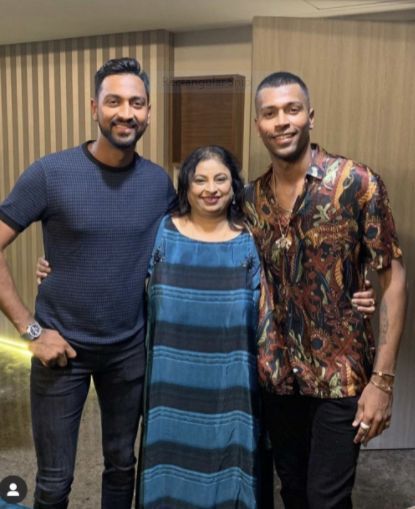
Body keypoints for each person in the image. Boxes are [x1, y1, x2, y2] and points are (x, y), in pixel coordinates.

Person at [0, 57, 176, 509]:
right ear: (93, 107)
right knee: (55, 481)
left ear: (149, 112)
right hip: (62, 351)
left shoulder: (159, 184)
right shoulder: (50, 173)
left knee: (122, 465)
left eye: (137, 103)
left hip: (129, 351)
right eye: (114, 101)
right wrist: (29, 330)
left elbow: (188, 247)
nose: (126, 112)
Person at [244, 71, 407, 508]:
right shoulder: (249, 200)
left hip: (341, 374)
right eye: (270, 113)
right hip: (277, 377)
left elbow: (392, 279)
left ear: (310, 116)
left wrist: (383, 382)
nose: (282, 121)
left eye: (292, 110)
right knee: (293, 491)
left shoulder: (357, 183)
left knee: (326, 499)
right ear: (258, 123)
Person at [136, 145, 262, 508]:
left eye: (221, 179)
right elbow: (115, 264)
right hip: (170, 382)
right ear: (186, 187)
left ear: (234, 186)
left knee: (230, 468)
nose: (211, 188)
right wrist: (55, 269)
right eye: (200, 179)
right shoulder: (161, 232)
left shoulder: (250, 240)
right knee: (168, 471)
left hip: (231, 386)